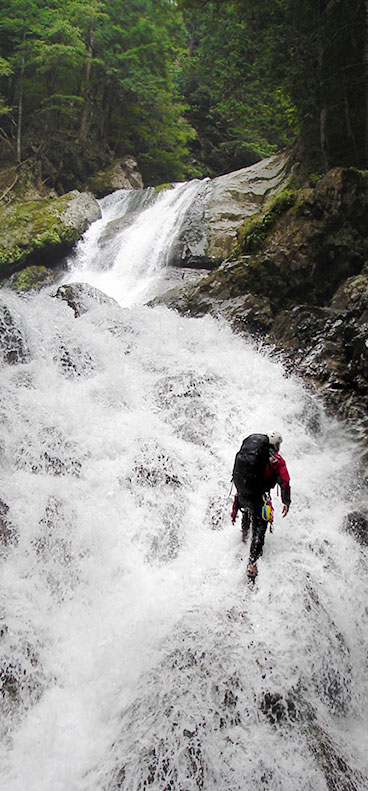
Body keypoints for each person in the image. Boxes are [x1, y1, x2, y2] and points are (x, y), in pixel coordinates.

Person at [232, 431, 291, 579]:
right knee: (260, 527)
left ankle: (243, 537)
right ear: (275, 444)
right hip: (259, 497)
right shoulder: (276, 460)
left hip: (243, 495)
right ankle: (252, 563)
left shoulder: (248, 455)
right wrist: (286, 501)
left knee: (247, 512)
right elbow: (285, 482)